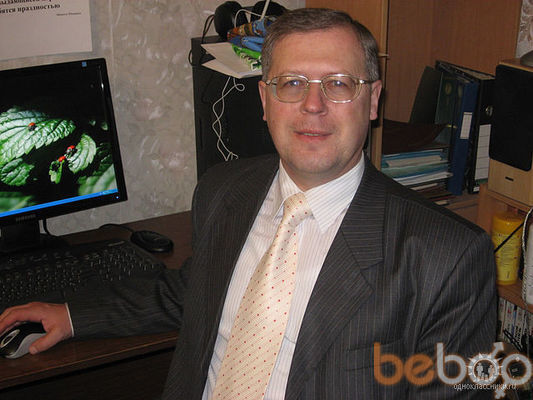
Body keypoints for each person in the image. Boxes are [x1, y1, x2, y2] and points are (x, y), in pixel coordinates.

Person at [0, 8, 497, 399]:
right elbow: (193, 290)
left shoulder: (448, 257)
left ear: (372, 100)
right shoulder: (224, 191)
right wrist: (74, 315)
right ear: (263, 100)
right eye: (292, 83)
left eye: (339, 84)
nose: (313, 105)